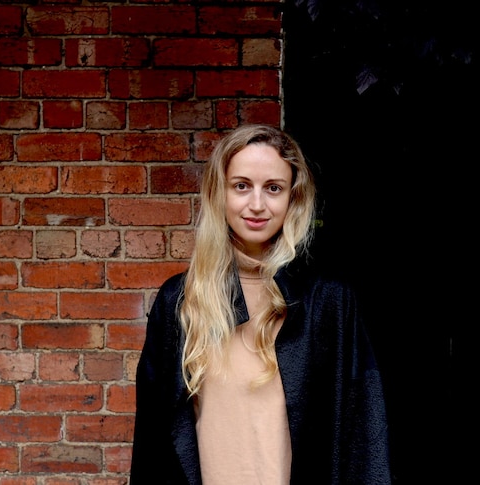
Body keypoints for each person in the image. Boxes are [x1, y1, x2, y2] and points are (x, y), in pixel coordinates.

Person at [129, 124, 392, 484]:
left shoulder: (328, 300)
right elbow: (153, 443)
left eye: (273, 188)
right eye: (241, 186)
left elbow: (364, 433)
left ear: (293, 199)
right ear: (219, 193)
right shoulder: (180, 301)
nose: (257, 204)